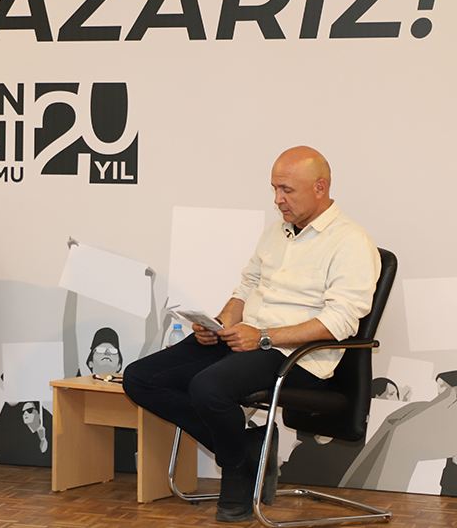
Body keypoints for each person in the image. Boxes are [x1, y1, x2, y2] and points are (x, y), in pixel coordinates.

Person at [122, 146, 379, 523]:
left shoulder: (351, 242)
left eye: (287, 190)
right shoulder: (276, 233)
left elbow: (340, 323)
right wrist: (220, 323)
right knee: (140, 378)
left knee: (209, 387)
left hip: (297, 357)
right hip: (248, 340)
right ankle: (244, 450)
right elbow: (246, 288)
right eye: (275, 189)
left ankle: (236, 473)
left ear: (320, 188)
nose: (278, 199)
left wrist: (263, 336)